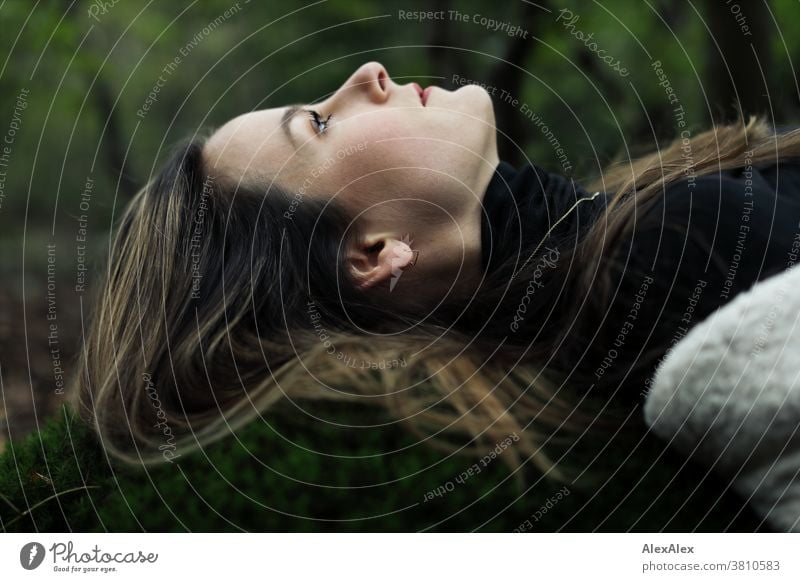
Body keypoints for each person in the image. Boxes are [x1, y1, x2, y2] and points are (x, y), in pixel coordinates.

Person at [69, 61, 800, 487]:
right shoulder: (671, 254)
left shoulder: (631, 228)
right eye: (320, 124)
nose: (366, 75)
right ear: (374, 253)